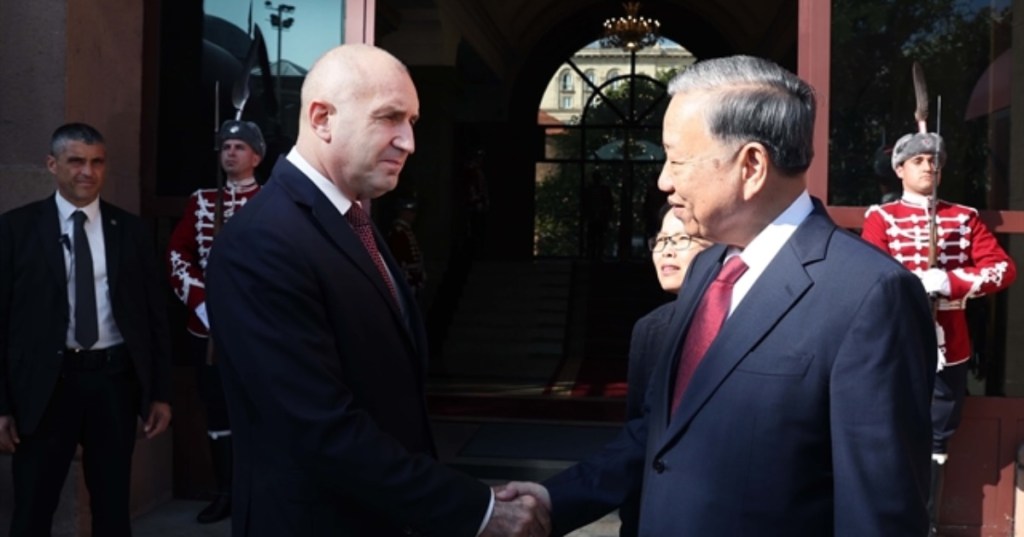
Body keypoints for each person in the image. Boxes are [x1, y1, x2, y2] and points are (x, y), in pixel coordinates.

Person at [498, 55, 937, 536]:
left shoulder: (869, 294)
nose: (663, 180)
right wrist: (553, 501)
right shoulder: (708, 268)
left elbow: (878, 511)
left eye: (676, 159)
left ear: (751, 166)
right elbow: (661, 432)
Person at [204, 44, 548, 537]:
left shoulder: (351, 220)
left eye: (412, 121)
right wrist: (475, 510)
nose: (408, 141)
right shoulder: (263, 241)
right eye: (389, 118)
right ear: (322, 118)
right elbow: (319, 428)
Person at [0, 123, 173, 536]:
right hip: (44, 388)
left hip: (113, 382)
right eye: (76, 161)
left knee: (113, 508)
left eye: (97, 162)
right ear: (52, 164)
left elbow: (154, 317)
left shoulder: (129, 231)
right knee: (33, 508)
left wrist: (159, 393)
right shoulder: (15, 229)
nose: (87, 172)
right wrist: (1, 404)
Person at [861, 131, 1016, 534]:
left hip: (951, 344)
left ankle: (927, 525)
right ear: (899, 170)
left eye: (934, 161)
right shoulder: (881, 218)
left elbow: (1002, 269)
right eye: (918, 161)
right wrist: (914, 285)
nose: (929, 167)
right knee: (891, 429)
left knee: (938, 436)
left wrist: (951, 282)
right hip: (897, 342)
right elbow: (869, 273)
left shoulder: (964, 217)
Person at [167, 119, 265, 523]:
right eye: (226, 146)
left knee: (259, 412)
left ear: (257, 156)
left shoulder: (271, 199)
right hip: (207, 328)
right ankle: (226, 492)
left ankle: (258, 495)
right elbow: (178, 255)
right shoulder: (203, 200)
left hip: (256, 330)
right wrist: (203, 305)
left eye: (240, 147)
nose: (231, 153)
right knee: (217, 412)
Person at [619, 204, 709, 537]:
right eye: (661, 240)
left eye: (682, 240)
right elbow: (639, 433)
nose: (667, 250)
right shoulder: (650, 328)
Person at [385, 197, 427, 299]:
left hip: (413, 276)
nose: (413, 215)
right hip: (405, 276)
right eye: (410, 212)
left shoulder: (406, 230)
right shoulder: (398, 231)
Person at [582, 171, 614, 260]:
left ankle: (594, 255)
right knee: (598, 238)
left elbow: (585, 203)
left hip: (596, 218)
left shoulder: (590, 190)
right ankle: (597, 255)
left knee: (595, 238)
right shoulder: (604, 190)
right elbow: (610, 203)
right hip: (598, 218)